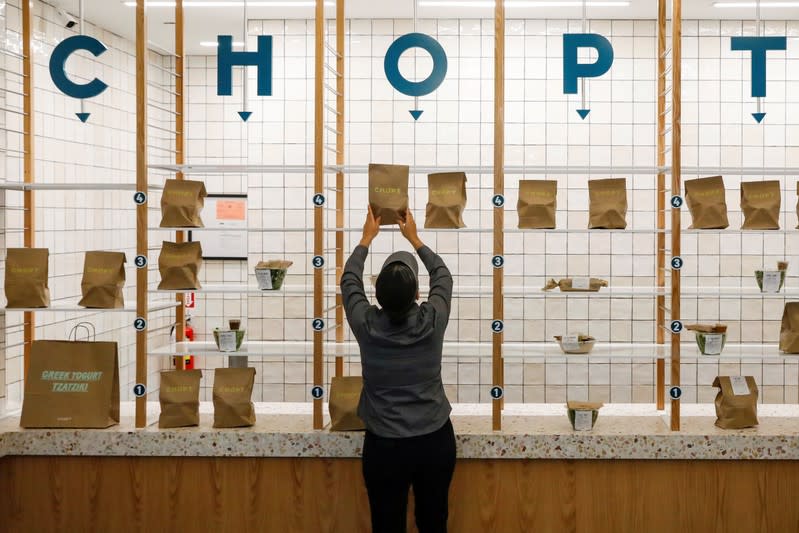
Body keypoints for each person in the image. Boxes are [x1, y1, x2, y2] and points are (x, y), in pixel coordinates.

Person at [340, 206, 456, 533]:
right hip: (434, 439)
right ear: (418, 295)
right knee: (434, 523)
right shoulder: (432, 321)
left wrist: (366, 238)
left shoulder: (366, 324)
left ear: (375, 298)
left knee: (386, 525)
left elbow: (349, 280)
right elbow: (443, 276)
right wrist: (414, 238)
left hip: (385, 446)